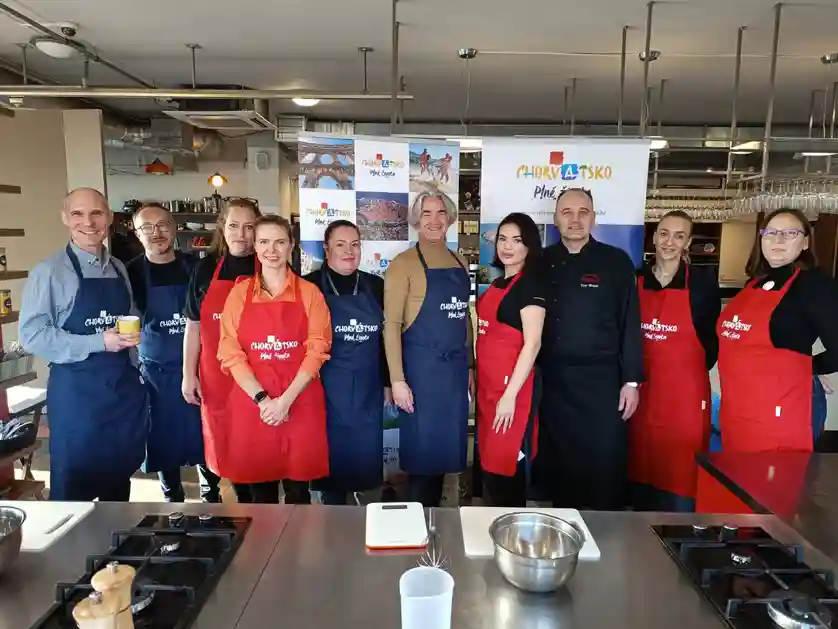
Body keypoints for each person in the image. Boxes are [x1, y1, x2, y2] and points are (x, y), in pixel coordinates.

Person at [20, 188, 147, 501]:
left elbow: (129, 315)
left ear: (109, 217)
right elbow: (32, 334)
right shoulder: (49, 272)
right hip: (78, 399)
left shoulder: (118, 268)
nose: (88, 222)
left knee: (118, 484)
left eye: (96, 213)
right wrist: (99, 341)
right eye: (78, 214)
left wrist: (135, 341)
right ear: (65, 218)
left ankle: (116, 533)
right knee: (73, 490)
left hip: (120, 392)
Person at [536, 187, 643, 511]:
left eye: (583, 212)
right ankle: (564, 526)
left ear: (593, 218)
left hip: (602, 383)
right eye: (567, 212)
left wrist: (632, 381)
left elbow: (630, 322)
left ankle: (605, 532)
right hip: (554, 383)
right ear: (555, 219)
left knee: (604, 463)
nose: (575, 219)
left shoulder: (616, 261)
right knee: (561, 466)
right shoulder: (541, 261)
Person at [218, 215, 332, 504]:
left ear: (291, 246)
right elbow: (230, 352)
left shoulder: (310, 293)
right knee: (262, 495)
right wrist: (263, 401)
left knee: (298, 493)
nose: (272, 249)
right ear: (255, 247)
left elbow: (317, 350)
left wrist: (284, 402)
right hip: (254, 403)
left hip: (299, 401)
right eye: (264, 242)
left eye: (280, 242)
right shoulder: (238, 295)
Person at [717, 208, 838, 453]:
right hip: (738, 411)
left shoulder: (814, 285)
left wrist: (809, 367)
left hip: (780, 414)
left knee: (774, 476)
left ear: (805, 242)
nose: (778, 239)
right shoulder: (755, 283)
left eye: (789, 233)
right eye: (770, 233)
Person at [126, 203, 221, 503]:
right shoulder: (130, 274)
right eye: (147, 227)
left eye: (163, 225)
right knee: (163, 439)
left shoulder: (196, 267)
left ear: (175, 228)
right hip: (156, 375)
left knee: (205, 434)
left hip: (200, 369)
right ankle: (172, 499)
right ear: (137, 233)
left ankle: (212, 495)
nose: (156, 233)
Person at [384, 191, 473, 507]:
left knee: (445, 457)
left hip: (454, 374)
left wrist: (470, 366)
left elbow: (463, 317)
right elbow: (391, 325)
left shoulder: (460, 261)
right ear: (416, 221)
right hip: (421, 375)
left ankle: (437, 520)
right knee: (422, 462)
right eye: (426, 213)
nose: (434, 220)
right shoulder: (404, 264)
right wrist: (397, 380)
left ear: (450, 217)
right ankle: (418, 523)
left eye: (440, 213)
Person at [629, 211, 721, 512]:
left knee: (681, 475)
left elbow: (711, 343)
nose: (670, 242)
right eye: (664, 234)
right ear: (654, 237)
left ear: (688, 242)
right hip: (641, 395)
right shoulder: (635, 280)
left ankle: (680, 530)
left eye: (679, 236)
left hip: (685, 398)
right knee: (640, 468)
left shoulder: (703, 284)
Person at [304, 220, 389, 505]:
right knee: (331, 470)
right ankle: (332, 517)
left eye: (354, 245)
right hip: (325, 390)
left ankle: (368, 517)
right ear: (326, 249)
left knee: (366, 468)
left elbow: (386, 340)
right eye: (340, 245)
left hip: (368, 389)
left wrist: (388, 382)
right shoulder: (309, 286)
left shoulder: (376, 286)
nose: (349, 251)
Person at [182, 198, 261, 503]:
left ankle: (264, 511)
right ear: (222, 228)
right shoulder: (204, 269)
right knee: (227, 447)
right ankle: (245, 507)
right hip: (217, 378)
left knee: (259, 449)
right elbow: (193, 326)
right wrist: (188, 374)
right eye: (234, 226)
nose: (241, 234)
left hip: (260, 377)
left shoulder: (271, 266)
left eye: (249, 227)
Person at [476, 213, 545, 507]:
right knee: (490, 464)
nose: (507, 247)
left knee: (506, 465)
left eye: (517, 240)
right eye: (502, 239)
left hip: (512, 392)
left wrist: (509, 396)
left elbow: (532, 344)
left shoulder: (531, 286)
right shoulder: (497, 284)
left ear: (529, 246)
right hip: (488, 389)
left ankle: (511, 525)